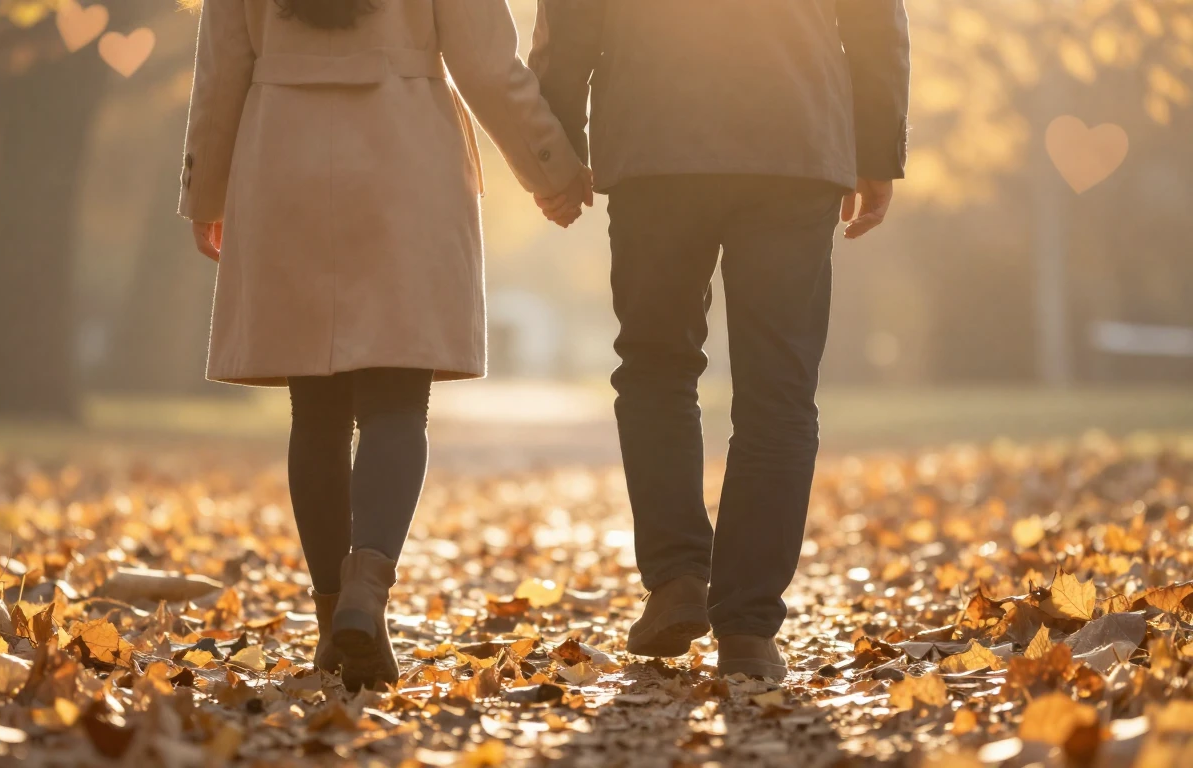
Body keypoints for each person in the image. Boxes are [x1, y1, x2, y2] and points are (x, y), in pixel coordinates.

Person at [178, 0, 591, 691]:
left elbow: (222, 63)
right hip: (407, 157)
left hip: (284, 154)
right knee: (397, 405)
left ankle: (332, 619)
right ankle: (366, 592)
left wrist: (206, 189)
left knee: (315, 414)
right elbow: (488, 63)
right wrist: (551, 165)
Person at [530, 0, 911, 679]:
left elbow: (573, 15)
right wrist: (876, 146)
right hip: (793, 136)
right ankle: (748, 628)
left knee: (655, 367)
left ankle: (676, 578)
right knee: (780, 392)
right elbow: (874, 14)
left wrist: (556, 146)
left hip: (656, 137)